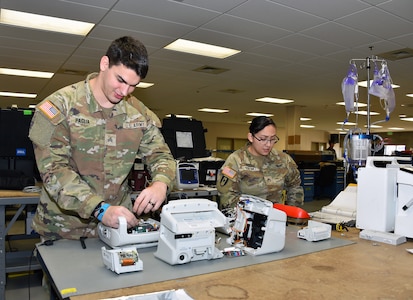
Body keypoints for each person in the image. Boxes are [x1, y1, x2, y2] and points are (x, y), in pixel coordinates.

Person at [29, 36, 176, 241]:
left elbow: (161, 155)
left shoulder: (138, 113)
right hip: (64, 229)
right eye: (121, 80)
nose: (124, 91)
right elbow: (53, 170)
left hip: (119, 227)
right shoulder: (58, 107)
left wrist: (161, 184)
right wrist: (99, 209)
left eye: (133, 85)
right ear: (104, 64)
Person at [217, 116, 304, 209]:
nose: (268, 144)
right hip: (246, 217)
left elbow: (295, 186)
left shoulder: (283, 159)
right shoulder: (235, 161)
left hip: (276, 217)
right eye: (263, 139)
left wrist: (291, 211)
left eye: (272, 139)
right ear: (251, 137)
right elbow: (226, 195)